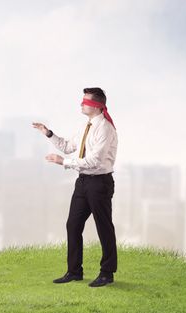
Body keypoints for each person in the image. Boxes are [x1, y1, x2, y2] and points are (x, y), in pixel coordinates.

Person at [32, 87, 118, 287]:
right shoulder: (84, 126)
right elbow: (68, 146)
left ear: (96, 105)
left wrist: (63, 162)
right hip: (83, 182)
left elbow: (95, 160)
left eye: (85, 101)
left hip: (99, 183)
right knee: (73, 225)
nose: (81, 104)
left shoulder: (104, 129)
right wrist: (48, 133)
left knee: (103, 227)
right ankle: (74, 271)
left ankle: (107, 273)